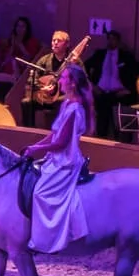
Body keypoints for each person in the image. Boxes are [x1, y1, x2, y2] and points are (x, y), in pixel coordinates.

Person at [23, 64, 93, 254]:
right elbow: (54, 134)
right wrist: (35, 146)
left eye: (63, 78)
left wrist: (37, 149)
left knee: (40, 193)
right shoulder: (66, 103)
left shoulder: (75, 109)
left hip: (66, 161)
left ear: (72, 83)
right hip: (56, 157)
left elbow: (61, 143)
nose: (59, 81)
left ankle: (47, 240)